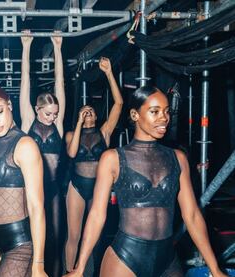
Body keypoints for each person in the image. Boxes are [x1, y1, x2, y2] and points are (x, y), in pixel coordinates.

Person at [64, 86, 227, 277]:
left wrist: (215, 269)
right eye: (154, 112)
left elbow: (191, 215)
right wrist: (80, 267)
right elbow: (97, 215)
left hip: (167, 257)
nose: (164, 118)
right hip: (126, 256)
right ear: (135, 115)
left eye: (167, 111)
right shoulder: (113, 158)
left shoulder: (178, 158)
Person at [0, 85, 47, 277]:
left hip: (19, 244)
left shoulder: (25, 145)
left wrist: (38, 264)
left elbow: (37, 207)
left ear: (9, 105)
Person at [64, 57, 123, 274]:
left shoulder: (104, 132)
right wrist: (79, 123)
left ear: (97, 116)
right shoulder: (72, 133)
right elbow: (71, 153)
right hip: (77, 187)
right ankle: (70, 271)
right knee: (74, 236)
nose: (89, 112)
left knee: (95, 236)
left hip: (98, 188)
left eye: (92, 111)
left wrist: (109, 74)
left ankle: (91, 271)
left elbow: (119, 104)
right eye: (84, 111)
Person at [20, 31, 65, 277]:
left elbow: (60, 83)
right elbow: (25, 81)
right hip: (30, 192)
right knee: (30, 242)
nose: (53, 117)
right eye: (48, 114)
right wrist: (26, 46)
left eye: (55, 113)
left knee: (55, 241)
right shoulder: (28, 120)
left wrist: (57, 47)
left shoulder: (57, 125)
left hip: (54, 191)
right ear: (37, 110)